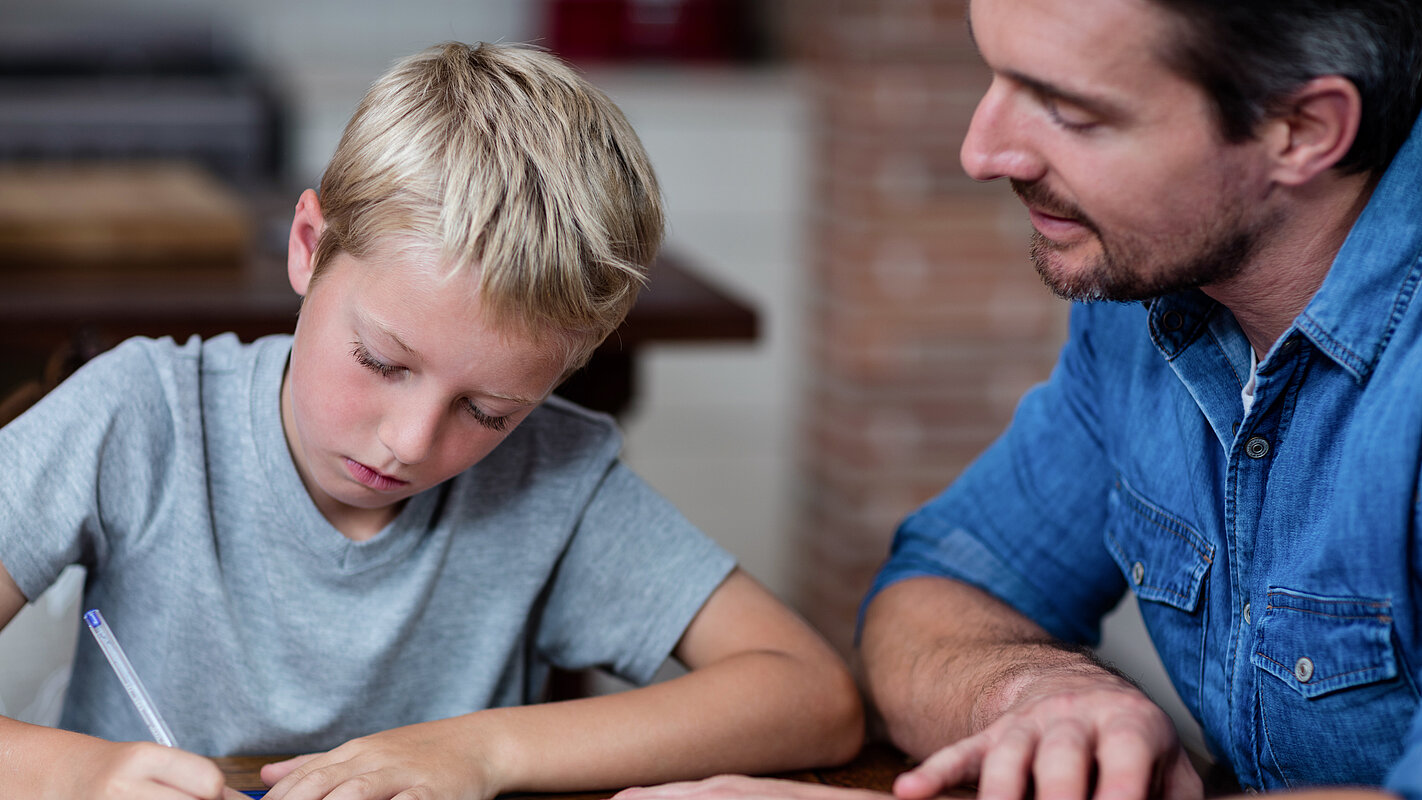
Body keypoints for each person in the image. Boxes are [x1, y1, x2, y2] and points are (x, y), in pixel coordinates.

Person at [0, 42, 863, 800]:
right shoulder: (141, 415)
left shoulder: (549, 478)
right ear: (308, 246)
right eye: (382, 362)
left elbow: (810, 694)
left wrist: (479, 750)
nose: (411, 443)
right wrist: (76, 777)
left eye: (488, 412)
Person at [613, 1, 1422, 800]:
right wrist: (1043, 700)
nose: (982, 150)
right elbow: (941, 586)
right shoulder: (1147, 309)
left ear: (1304, 129)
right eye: (992, 72)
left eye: (1068, 109)